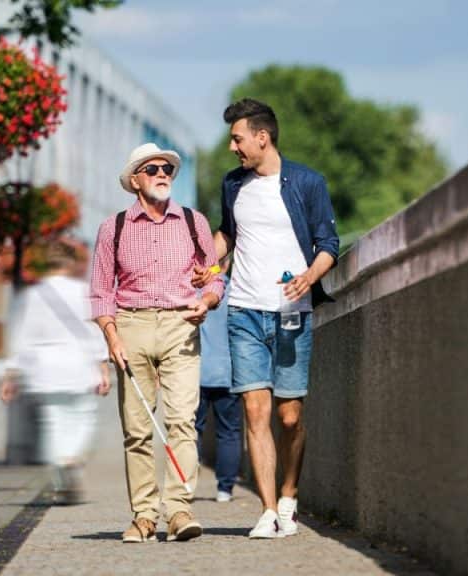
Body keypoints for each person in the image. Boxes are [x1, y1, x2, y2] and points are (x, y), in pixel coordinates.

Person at [193, 98, 340, 539]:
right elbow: (229, 235)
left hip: (292, 313)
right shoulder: (233, 184)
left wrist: (308, 277)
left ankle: (290, 495)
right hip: (244, 311)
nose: (233, 147)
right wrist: (211, 266)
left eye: (237, 139)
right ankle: (268, 510)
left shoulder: (307, 183)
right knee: (255, 412)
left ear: (262, 137)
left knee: (290, 417)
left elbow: (328, 242)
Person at [91, 143, 224, 543]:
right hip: (130, 327)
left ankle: (179, 511)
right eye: (152, 169)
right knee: (137, 429)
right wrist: (111, 337)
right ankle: (144, 516)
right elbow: (100, 291)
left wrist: (208, 299)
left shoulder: (192, 221)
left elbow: (213, 272)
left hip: (180, 325)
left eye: (167, 168)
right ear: (135, 180)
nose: (162, 173)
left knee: (183, 420)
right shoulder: (112, 228)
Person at [0, 240, 110, 505]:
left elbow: (22, 336)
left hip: (46, 369)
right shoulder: (85, 292)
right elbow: (95, 331)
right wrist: (103, 366)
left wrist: (11, 374)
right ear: (71, 264)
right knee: (83, 417)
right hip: (80, 365)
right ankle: (72, 459)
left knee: (54, 424)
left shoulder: (32, 295)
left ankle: (62, 472)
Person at [195, 270, 242, 503]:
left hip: (196, 371)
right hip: (229, 372)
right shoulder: (236, 290)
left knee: (191, 430)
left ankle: (186, 482)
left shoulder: (192, 291)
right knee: (229, 432)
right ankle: (225, 489)